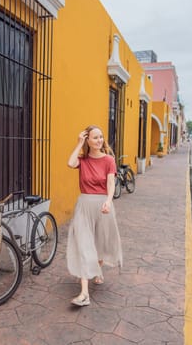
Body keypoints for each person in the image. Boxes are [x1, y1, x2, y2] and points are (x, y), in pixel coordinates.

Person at [66, 125, 123, 306]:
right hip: (84, 205)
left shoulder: (109, 160)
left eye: (101, 137)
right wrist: (78, 143)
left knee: (99, 243)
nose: (99, 140)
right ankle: (84, 294)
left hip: (103, 206)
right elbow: (70, 163)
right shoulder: (82, 160)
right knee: (84, 245)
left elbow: (111, 183)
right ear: (88, 140)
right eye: (95, 137)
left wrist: (108, 200)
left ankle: (98, 270)